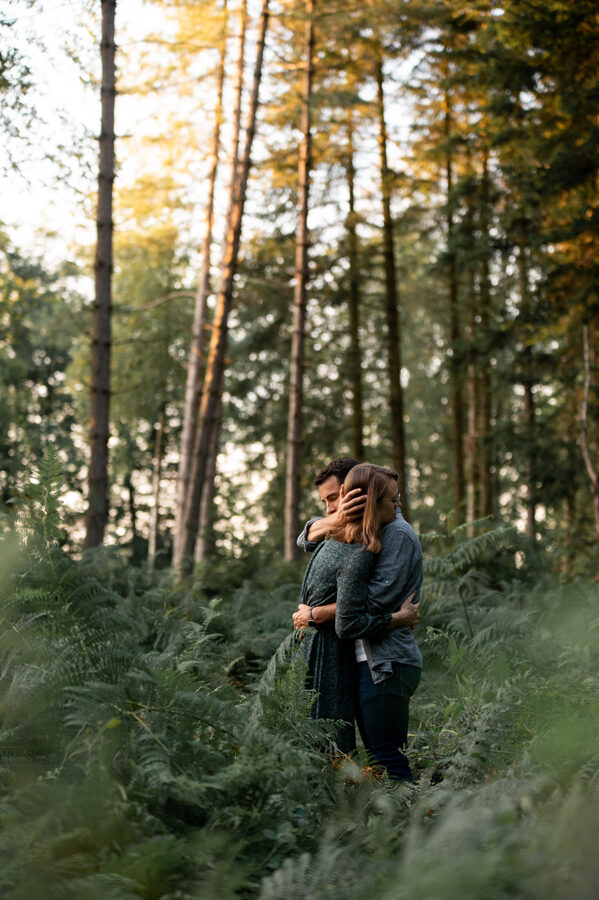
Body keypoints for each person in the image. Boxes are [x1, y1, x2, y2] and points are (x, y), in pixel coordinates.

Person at [295, 460, 422, 782]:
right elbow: (305, 537)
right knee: (374, 761)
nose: (330, 507)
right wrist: (336, 519)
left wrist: (314, 614)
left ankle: (412, 812)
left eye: (335, 498)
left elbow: (371, 604)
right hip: (360, 659)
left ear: (359, 494)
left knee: (386, 758)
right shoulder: (355, 533)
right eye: (326, 501)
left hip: (384, 661)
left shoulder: (393, 533)